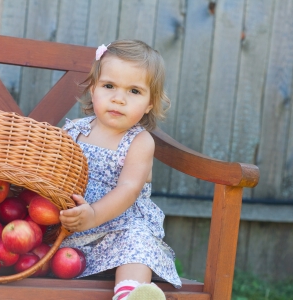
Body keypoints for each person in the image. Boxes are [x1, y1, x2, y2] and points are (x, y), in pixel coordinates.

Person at [59, 39, 181, 300]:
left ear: (150, 103)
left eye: (134, 91)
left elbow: (128, 189)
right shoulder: (73, 131)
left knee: (138, 240)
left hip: (119, 226)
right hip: (73, 225)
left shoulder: (139, 141)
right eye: (109, 86)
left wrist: (94, 215)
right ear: (93, 90)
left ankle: (130, 292)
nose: (119, 98)